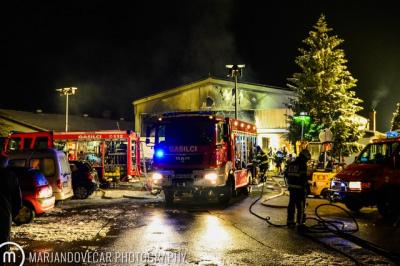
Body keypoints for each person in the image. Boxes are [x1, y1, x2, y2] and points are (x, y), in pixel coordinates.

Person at [0, 154, 22, 264]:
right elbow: (18, 200)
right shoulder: (10, 176)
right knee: (3, 243)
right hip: (4, 216)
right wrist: (12, 215)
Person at [285, 149, 310, 228]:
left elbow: (286, 174)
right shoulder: (302, 165)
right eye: (307, 159)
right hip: (300, 189)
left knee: (291, 205)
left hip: (292, 188)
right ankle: (300, 223)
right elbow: (304, 178)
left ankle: (290, 222)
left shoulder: (291, 164)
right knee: (301, 206)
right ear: (304, 157)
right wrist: (307, 188)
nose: (307, 161)